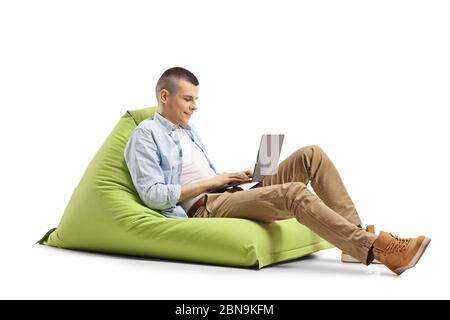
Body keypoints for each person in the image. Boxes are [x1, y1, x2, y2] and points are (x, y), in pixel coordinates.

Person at [124, 67, 431, 275]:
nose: (194, 106)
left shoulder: (187, 130)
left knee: (312, 154)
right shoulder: (145, 136)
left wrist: (234, 177)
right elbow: (153, 196)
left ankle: (353, 243)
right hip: (206, 208)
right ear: (165, 96)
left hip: (229, 194)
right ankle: (375, 250)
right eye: (187, 99)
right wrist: (215, 181)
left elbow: (199, 173)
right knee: (294, 193)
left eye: (196, 100)